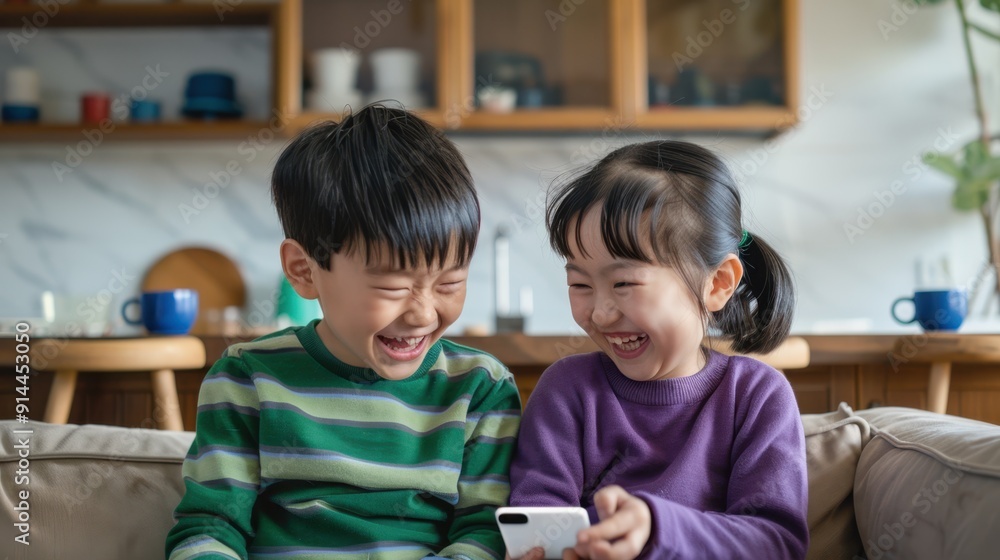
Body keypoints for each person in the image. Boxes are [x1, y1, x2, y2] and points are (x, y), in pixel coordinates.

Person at [166, 105, 522, 560]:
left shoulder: (479, 389)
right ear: (304, 270)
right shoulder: (246, 378)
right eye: (392, 286)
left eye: (450, 283)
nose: (423, 313)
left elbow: (486, 534)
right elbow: (210, 527)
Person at [508, 140, 808, 559]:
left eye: (624, 284)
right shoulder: (567, 391)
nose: (601, 312)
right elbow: (537, 518)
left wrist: (656, 527)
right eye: (580, 284)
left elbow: (775, 544)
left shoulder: (756, 396)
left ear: (718, 283)